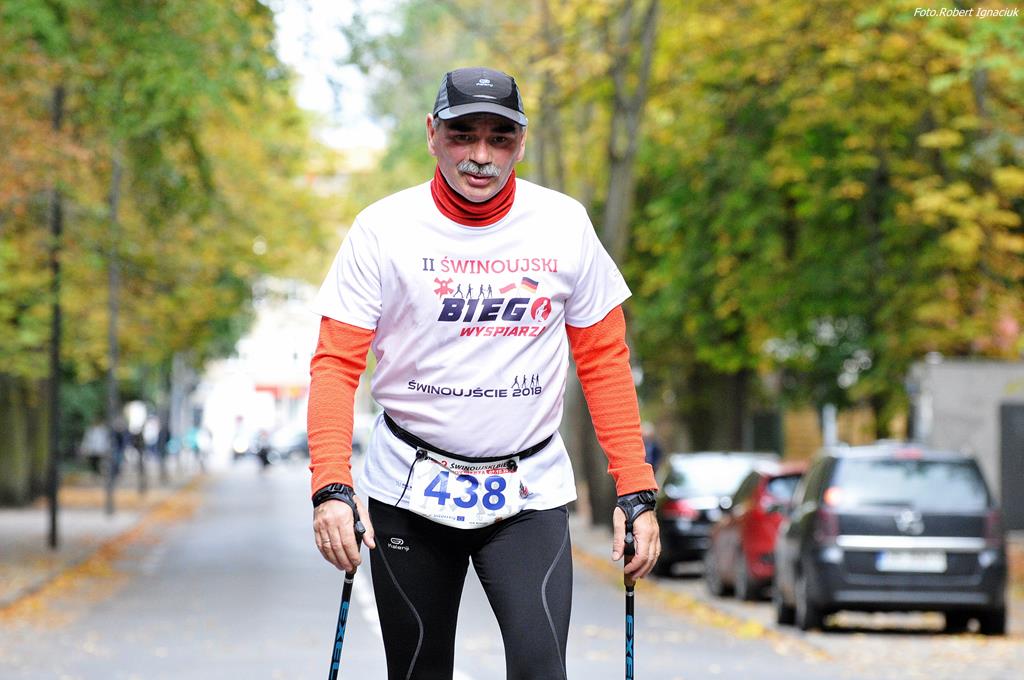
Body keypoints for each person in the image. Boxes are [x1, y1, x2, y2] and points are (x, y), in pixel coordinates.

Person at [307, 66, 660, 680]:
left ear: (521, 142)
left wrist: (635, 489)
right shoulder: (382, 229)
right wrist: (331, 487)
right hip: (410, 487)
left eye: (499, 138)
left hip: (527, 490)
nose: (480, 155)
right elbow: (336, 363)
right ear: (432, 134)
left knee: (541, 669)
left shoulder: (564, 224)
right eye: (462, 135)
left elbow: (604, 359)